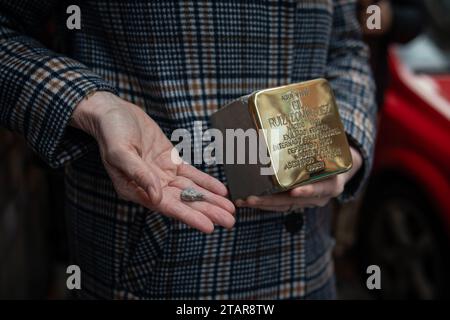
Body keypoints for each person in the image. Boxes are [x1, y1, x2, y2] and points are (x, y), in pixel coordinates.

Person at [0, 0, 376, 299]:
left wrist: (347, 148)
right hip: (154, 260)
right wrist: (92, 104)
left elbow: (347, 48)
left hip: (303, 265)